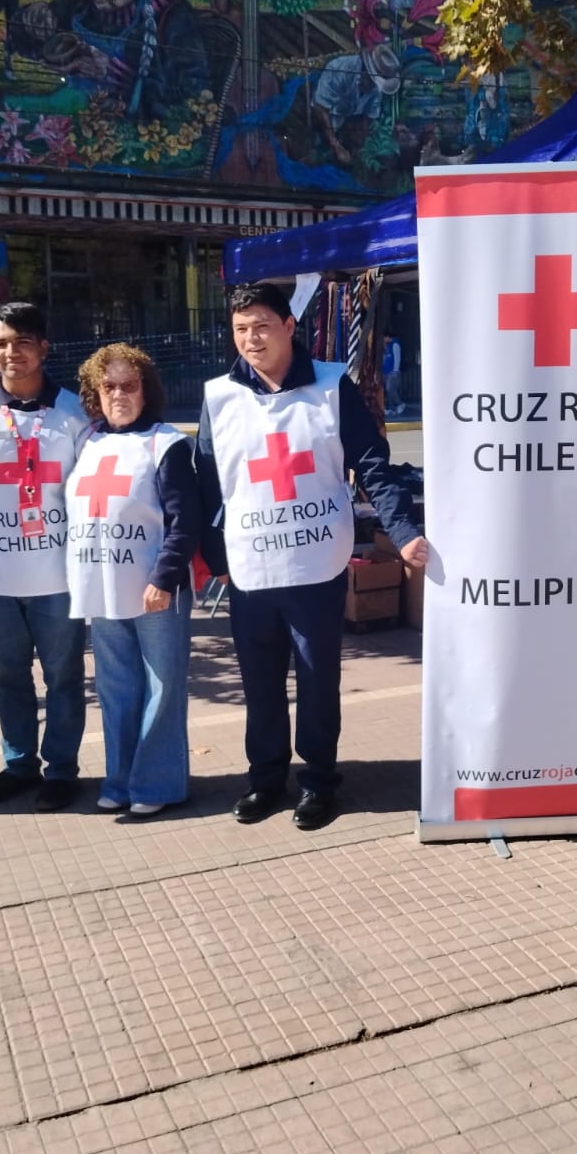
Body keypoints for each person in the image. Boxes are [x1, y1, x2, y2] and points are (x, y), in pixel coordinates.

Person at [196, 282, 429, 831]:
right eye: (240, 329)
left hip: (315, 566)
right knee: (260, 682)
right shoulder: (219, 396)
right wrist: (214, 556)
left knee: (317, 680)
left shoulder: (330, 386)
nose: (251, 339)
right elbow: (207, 481)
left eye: (262, 326)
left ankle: (319, 781)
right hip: (251, 568)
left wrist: (402, 531)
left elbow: (372, 463)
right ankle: (265, 779)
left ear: (288, 326)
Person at [0, 301, 90, 812]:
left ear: (44, 347)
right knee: (8, 677)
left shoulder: (76, 412)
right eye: (1, 343)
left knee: (63, 677)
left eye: (23, 341)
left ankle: (62, 771)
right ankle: (18, 765)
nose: (12, 352)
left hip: (57, 573)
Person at [66, 344, 200, 817]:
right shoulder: (87, 442)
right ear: (94, 392)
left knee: (162, 690)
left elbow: (186, 520)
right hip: (102, 588)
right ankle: (119, 781)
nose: (119, 394)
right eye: (109, 386)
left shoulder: (166, 443)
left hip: (155, 592)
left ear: (146, 390)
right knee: (116, 690)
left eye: (129, 385)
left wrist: (164, 578)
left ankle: (157, 784)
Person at [382, 332, 404, 416]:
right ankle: (391, 408)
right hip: (388, 371)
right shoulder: (389, 345)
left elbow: (397, 358)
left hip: (392, 372)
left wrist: (395, 370)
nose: (383, 340)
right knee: (389, 390)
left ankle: (400, 404)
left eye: (384, 338)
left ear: (387, 336)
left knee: (390, 389)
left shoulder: (395, 344)